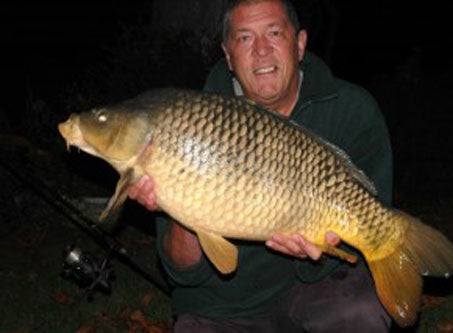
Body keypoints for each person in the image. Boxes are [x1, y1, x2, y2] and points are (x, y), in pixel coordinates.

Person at [129, 0, 393, 331]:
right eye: (244, 38)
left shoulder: (352, 110)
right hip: (224, 303)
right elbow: (182, 270)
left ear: (299, 44)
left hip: (317, 288)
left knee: (359, 312)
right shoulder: (186, 123)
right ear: (228, 55)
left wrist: (321, 248)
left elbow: (375, 210)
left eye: (274, 33)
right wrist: (183, 206)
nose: (261, 51)